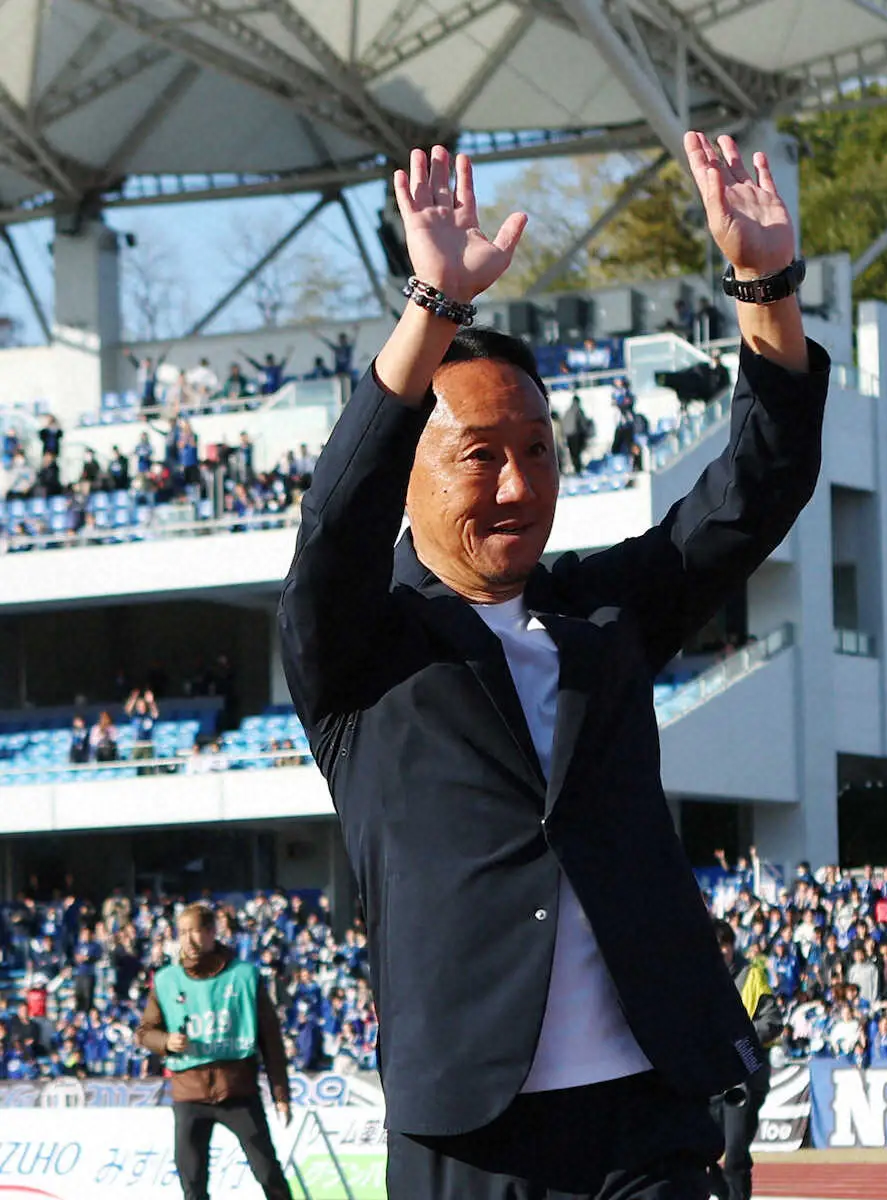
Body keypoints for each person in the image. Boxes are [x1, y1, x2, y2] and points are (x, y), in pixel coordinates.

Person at [279, 132, 825, 1199]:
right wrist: (432, 306)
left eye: (537, 451)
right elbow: (334, 525)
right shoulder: (358, 652)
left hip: (650, 1116)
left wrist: (764, 286)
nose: (518, 485)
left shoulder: (604, 615)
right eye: (480, 455)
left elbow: (758, 486)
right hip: (470, 1133)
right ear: (408, 473)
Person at [135, 903, 293, 1200]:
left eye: (195, 932)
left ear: (211, 933)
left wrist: (281, 1094)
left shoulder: (244, 976)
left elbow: (271, 1041)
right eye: (182, 933)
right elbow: (144, 1033)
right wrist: (166, 1041)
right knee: (192, 1184)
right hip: (188, 1094)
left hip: (238, 1091)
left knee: (268, 1173)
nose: (189, 940)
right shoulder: (166, 980)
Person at [710, 921, 783, 1200]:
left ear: (732, 946)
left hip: (744, 1072)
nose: (721, 952)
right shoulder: (698, 978)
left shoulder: (751, 975)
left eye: (725, 946)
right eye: (716, 946)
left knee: (735, 1154)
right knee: (699, 1151)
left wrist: (741, 1037)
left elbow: (773, 1022)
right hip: (711, 1076)